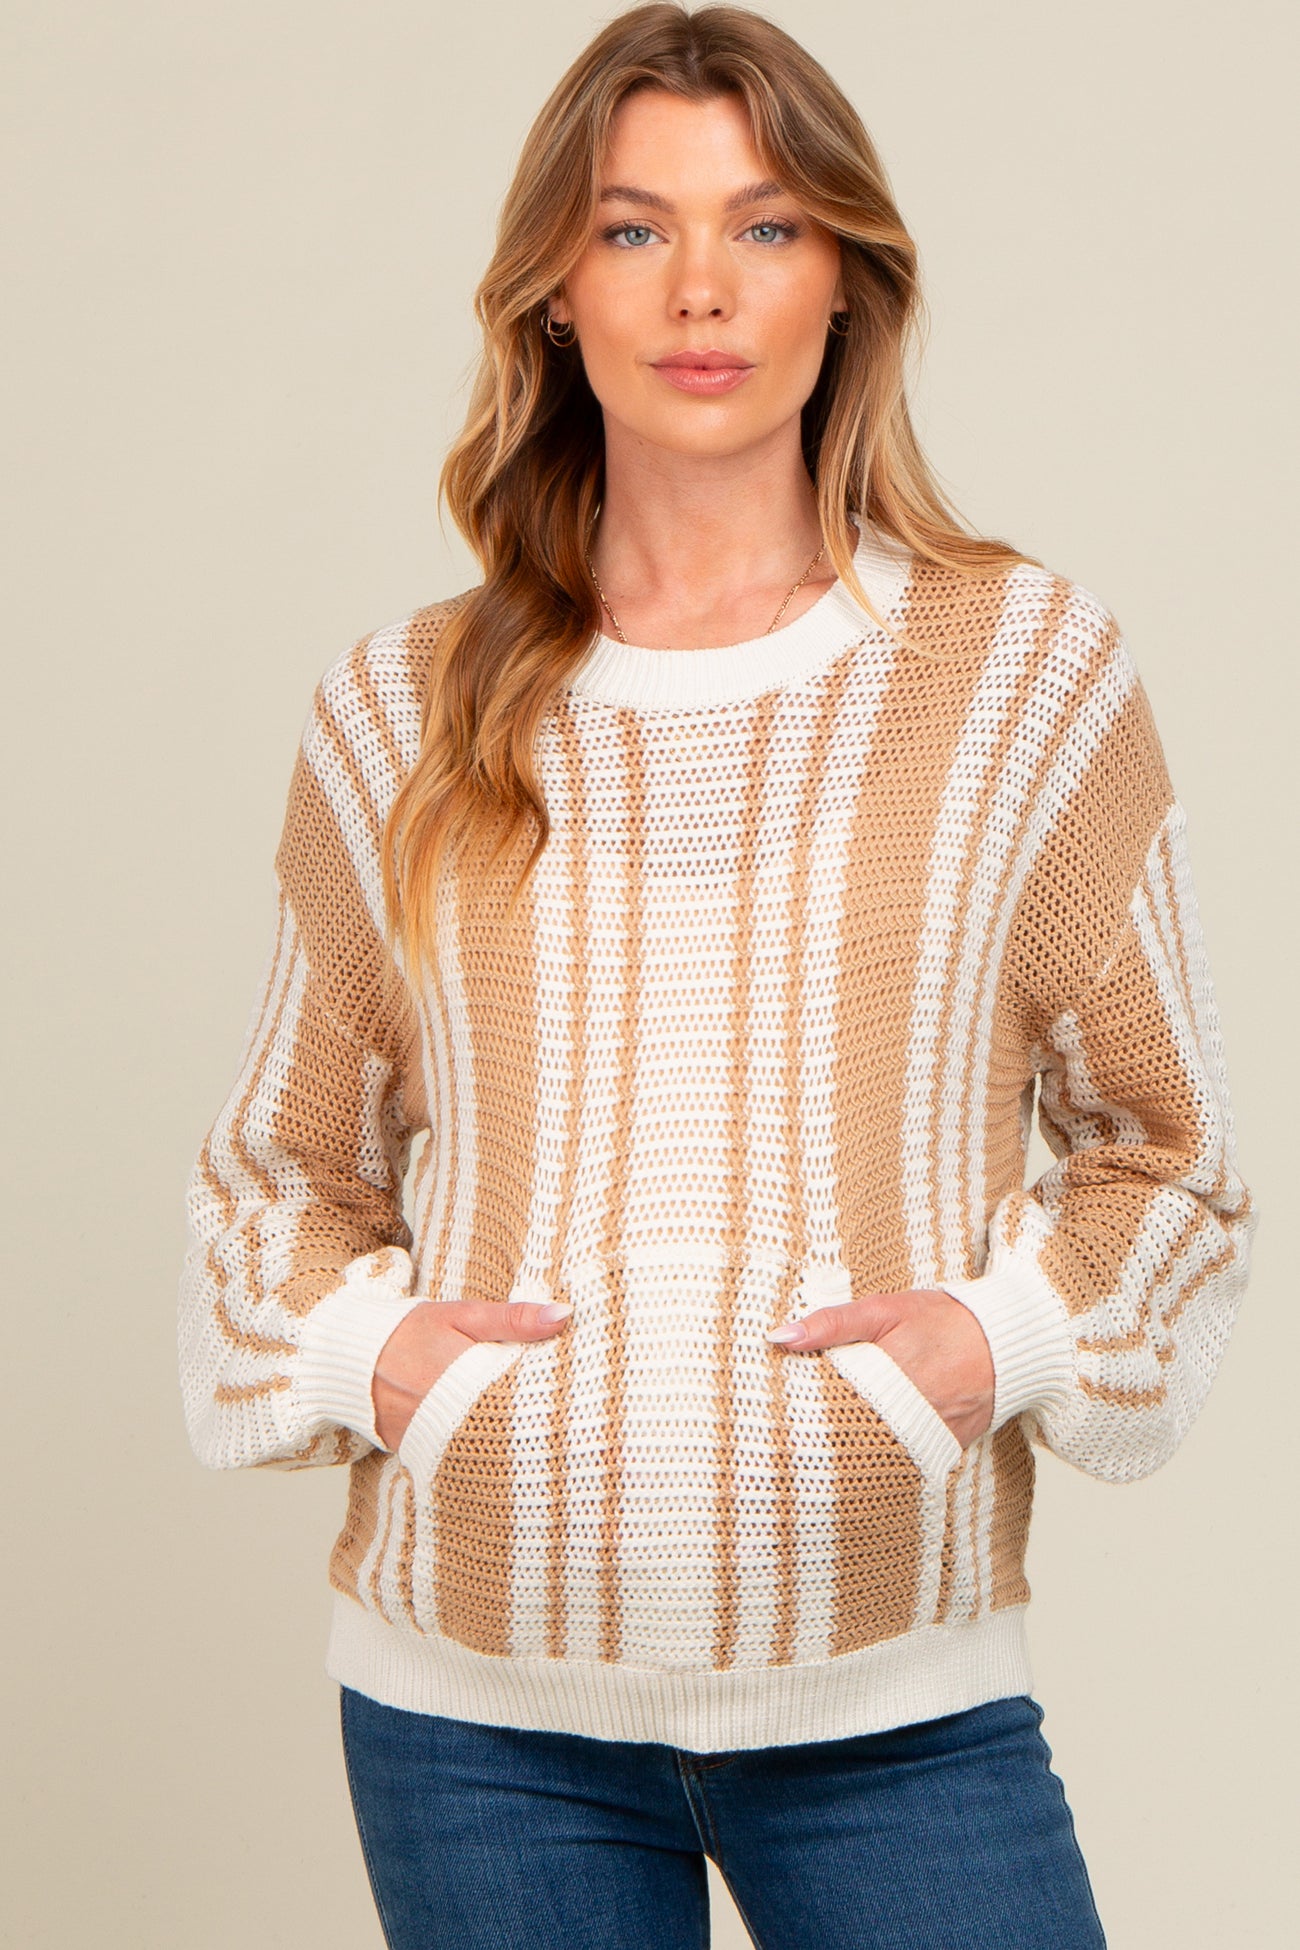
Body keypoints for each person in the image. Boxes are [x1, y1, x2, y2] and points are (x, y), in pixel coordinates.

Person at [176, 6, 1258, 1945]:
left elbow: (1163, 1155)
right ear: (554, 289)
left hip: (894, 1701)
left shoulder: (1022, 677)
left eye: (764, 227)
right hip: (472, 1722)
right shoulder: (397, 708)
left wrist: (989, 1345)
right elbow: (281, 1173)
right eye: (631, 228)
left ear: (844, 279)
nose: (700, 288)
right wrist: (386, 1365)